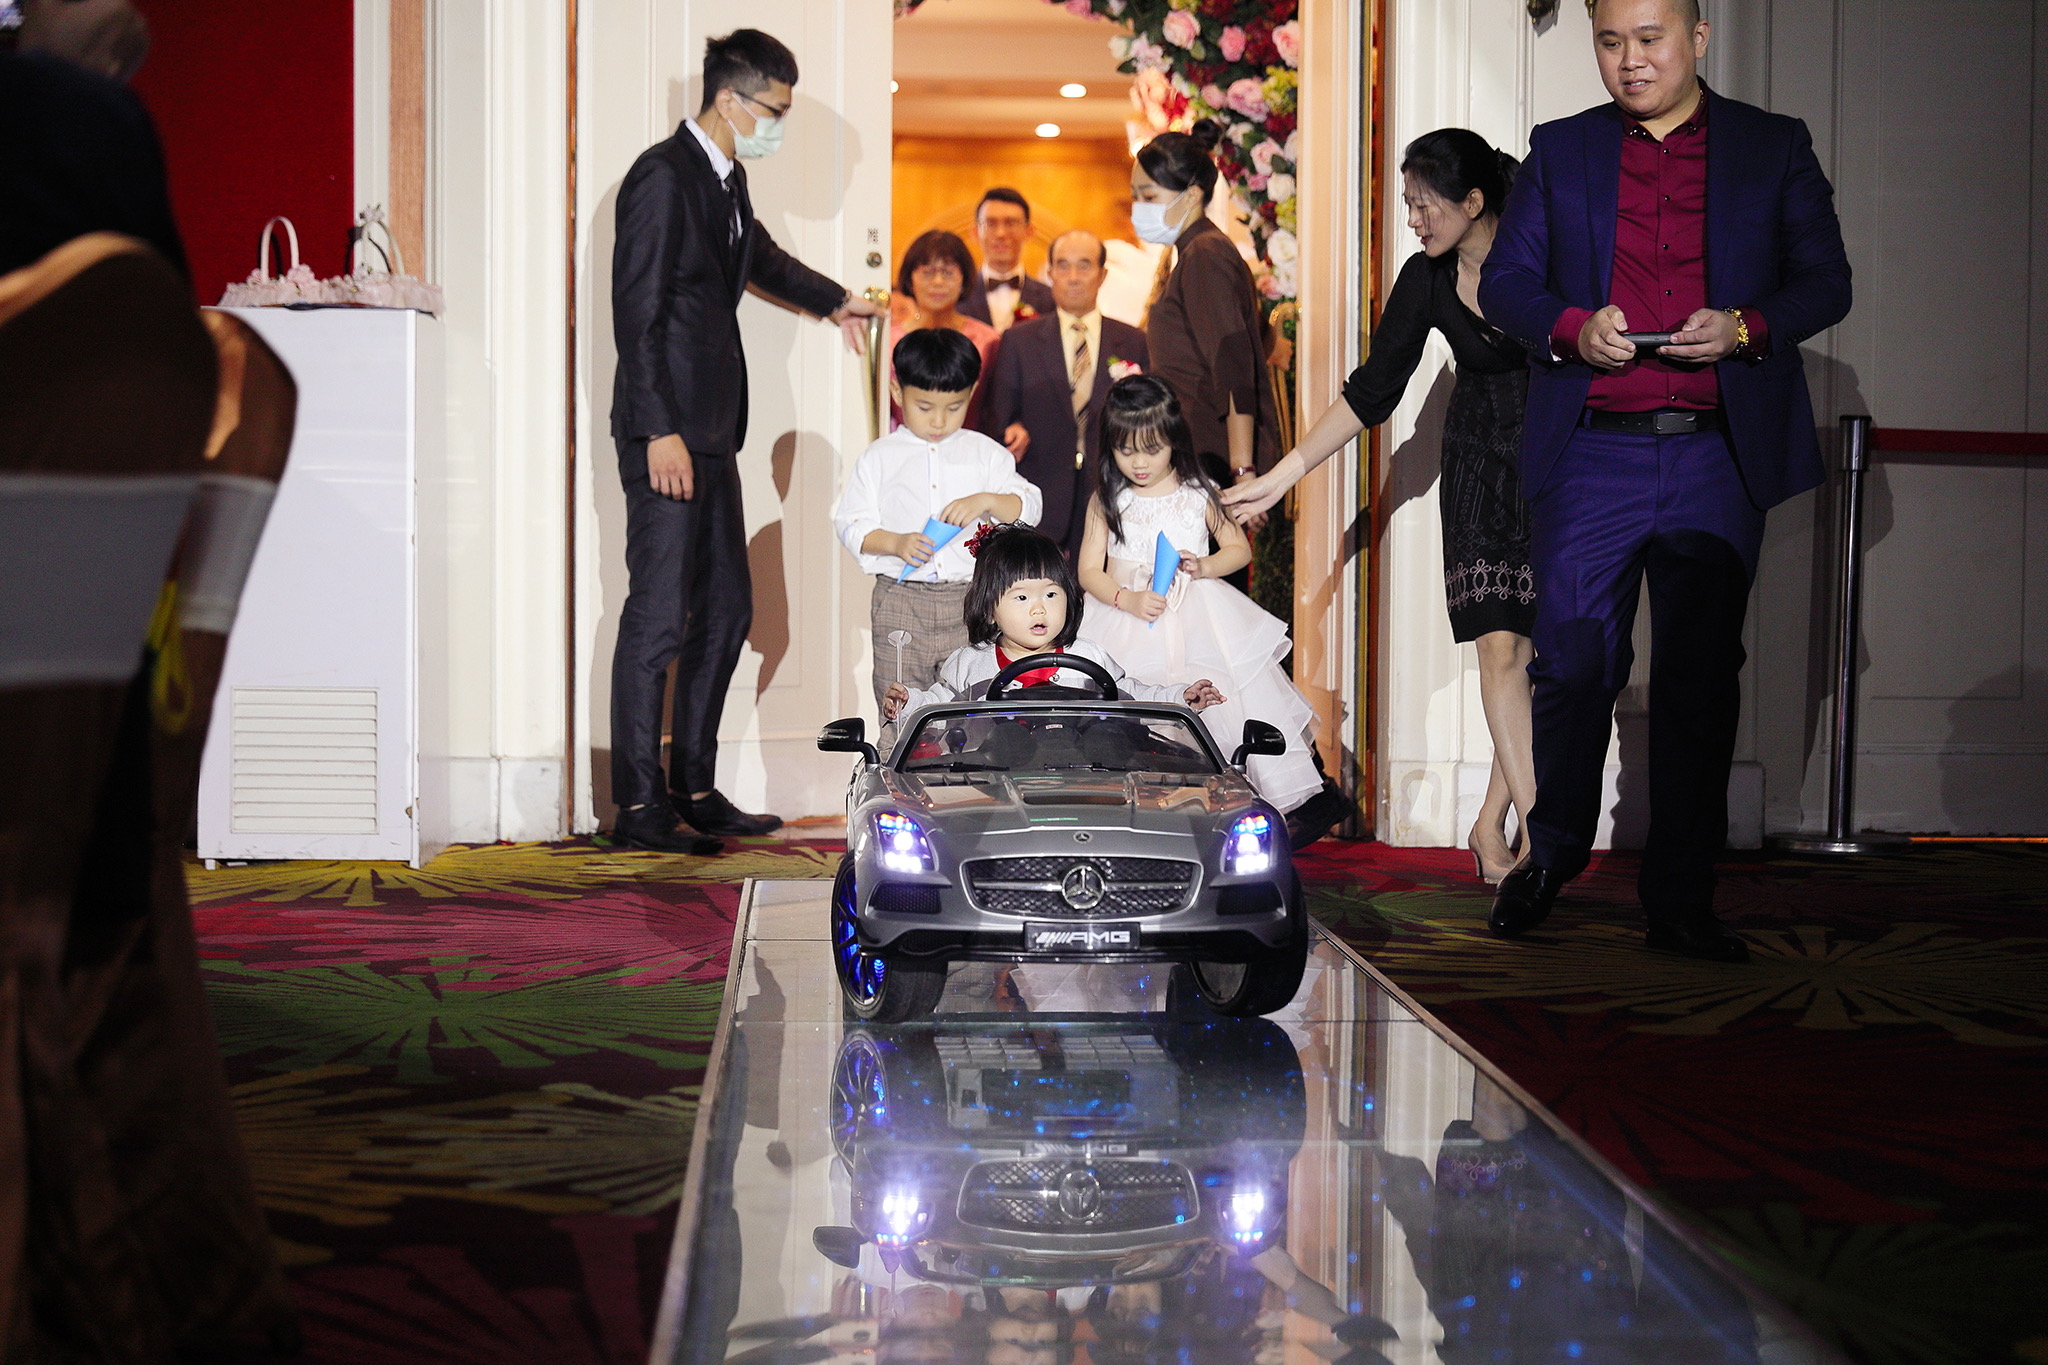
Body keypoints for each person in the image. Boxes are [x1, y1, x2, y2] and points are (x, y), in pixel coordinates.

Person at [1477, 0, 1851, 959]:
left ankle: (1680, 896)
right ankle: (1553, 852)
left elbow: (1826, 279)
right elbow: (1507, 282)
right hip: (1591, 450)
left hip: (1713, 452)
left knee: (1697, 677)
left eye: (1650, 40)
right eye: (1611, 42)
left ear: (1698, 38)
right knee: (1572, 662)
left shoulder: (1772, 145)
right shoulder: (1562, 149)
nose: (1630, 60)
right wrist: (1571, 328)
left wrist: (1743, 328)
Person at [1224, 130, 1536, 884]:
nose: (1414, 220)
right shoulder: (1426, 277)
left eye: (1425, 206)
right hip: (1479, 461)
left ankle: (1491, 822)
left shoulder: (1542, 250)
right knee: (1499, 648)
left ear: (1474, 201)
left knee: (1545, 657)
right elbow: (1373, 390)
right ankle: (1543, 829)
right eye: (1407, 204)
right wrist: (1284, 473)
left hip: (1559, 455)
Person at [609, 28, 883, 854]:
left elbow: (756, 255)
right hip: (667, 432)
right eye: (775, 110)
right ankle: (639, 805)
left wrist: (835, 299)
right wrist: (657, 428)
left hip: (713, 434)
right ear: (729, 100)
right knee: (659, 615)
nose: (779, 126)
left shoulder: (725, 179)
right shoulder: (662, 176)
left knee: (727, 608)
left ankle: (692, 786)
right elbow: (637, 313)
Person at [1074, 375, 1323, 819]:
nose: (1139, 463)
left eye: (1152, 449)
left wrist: (1204, 566)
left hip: (1198, 621)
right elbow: (1089, 569)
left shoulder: (1197, 493)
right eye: (1126, 451)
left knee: (1212, 711)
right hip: (1124, 618)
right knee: (1127, 710)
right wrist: (1125, 598)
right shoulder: (1107, 499)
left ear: (1174, 439)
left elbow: (1238, 548)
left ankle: (1207, 810)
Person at [833, 327, 1042, 710]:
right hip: (902, 598)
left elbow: (1029, 507)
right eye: (925, 407)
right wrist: (895, 542)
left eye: (954, 407)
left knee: (972, 701)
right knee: (899, 702)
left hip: (970, 598)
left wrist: (987, 500)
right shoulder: (880, 456)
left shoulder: (985, 454)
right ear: (898, 393)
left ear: (971, 393)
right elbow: (851, 524)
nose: (939, 421)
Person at [882, 523, 1222, 722]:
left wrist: (1181, 698)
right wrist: (908, 702)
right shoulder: (970, 663)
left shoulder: (1088, 657)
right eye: (1021, 598)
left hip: (1080, 777)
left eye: (1050, 594)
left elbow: (1133, 695)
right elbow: (938, 705)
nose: (1039, 609)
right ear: (989, 609)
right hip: (994, 781)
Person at [976, 228, 1149, 557]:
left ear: (1102, 275)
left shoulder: (1133, 341)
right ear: (1051, 273)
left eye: (1084, 266)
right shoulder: (1019, 341)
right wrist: (1012, 428)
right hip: (1041, 488)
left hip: (1110, 491)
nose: (1073, 277)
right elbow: (999, 416)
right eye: (1063, 266)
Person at [1131, 122, 1280, 499]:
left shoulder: (1205, 254)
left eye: (1149, 196)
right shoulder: (1193, 253)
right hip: (1194, 455)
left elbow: (1232, 366)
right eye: (1135, 197)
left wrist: (1242, 470)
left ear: (1192, 195)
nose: (1138, 208)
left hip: (1211, 464)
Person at [888, 228, 1001, 431]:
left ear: (964, 279)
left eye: (948, 273)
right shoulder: (889, 341)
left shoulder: (988, 340)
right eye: (928, 273)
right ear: (910, 280)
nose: (938, 282)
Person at [958, 187, 1054, 332]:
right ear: (975, 232)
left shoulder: (1050, 299)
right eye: (991, 223)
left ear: (1029, 232)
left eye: (1011, 223)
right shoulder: (958, 296)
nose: (1001, 234)